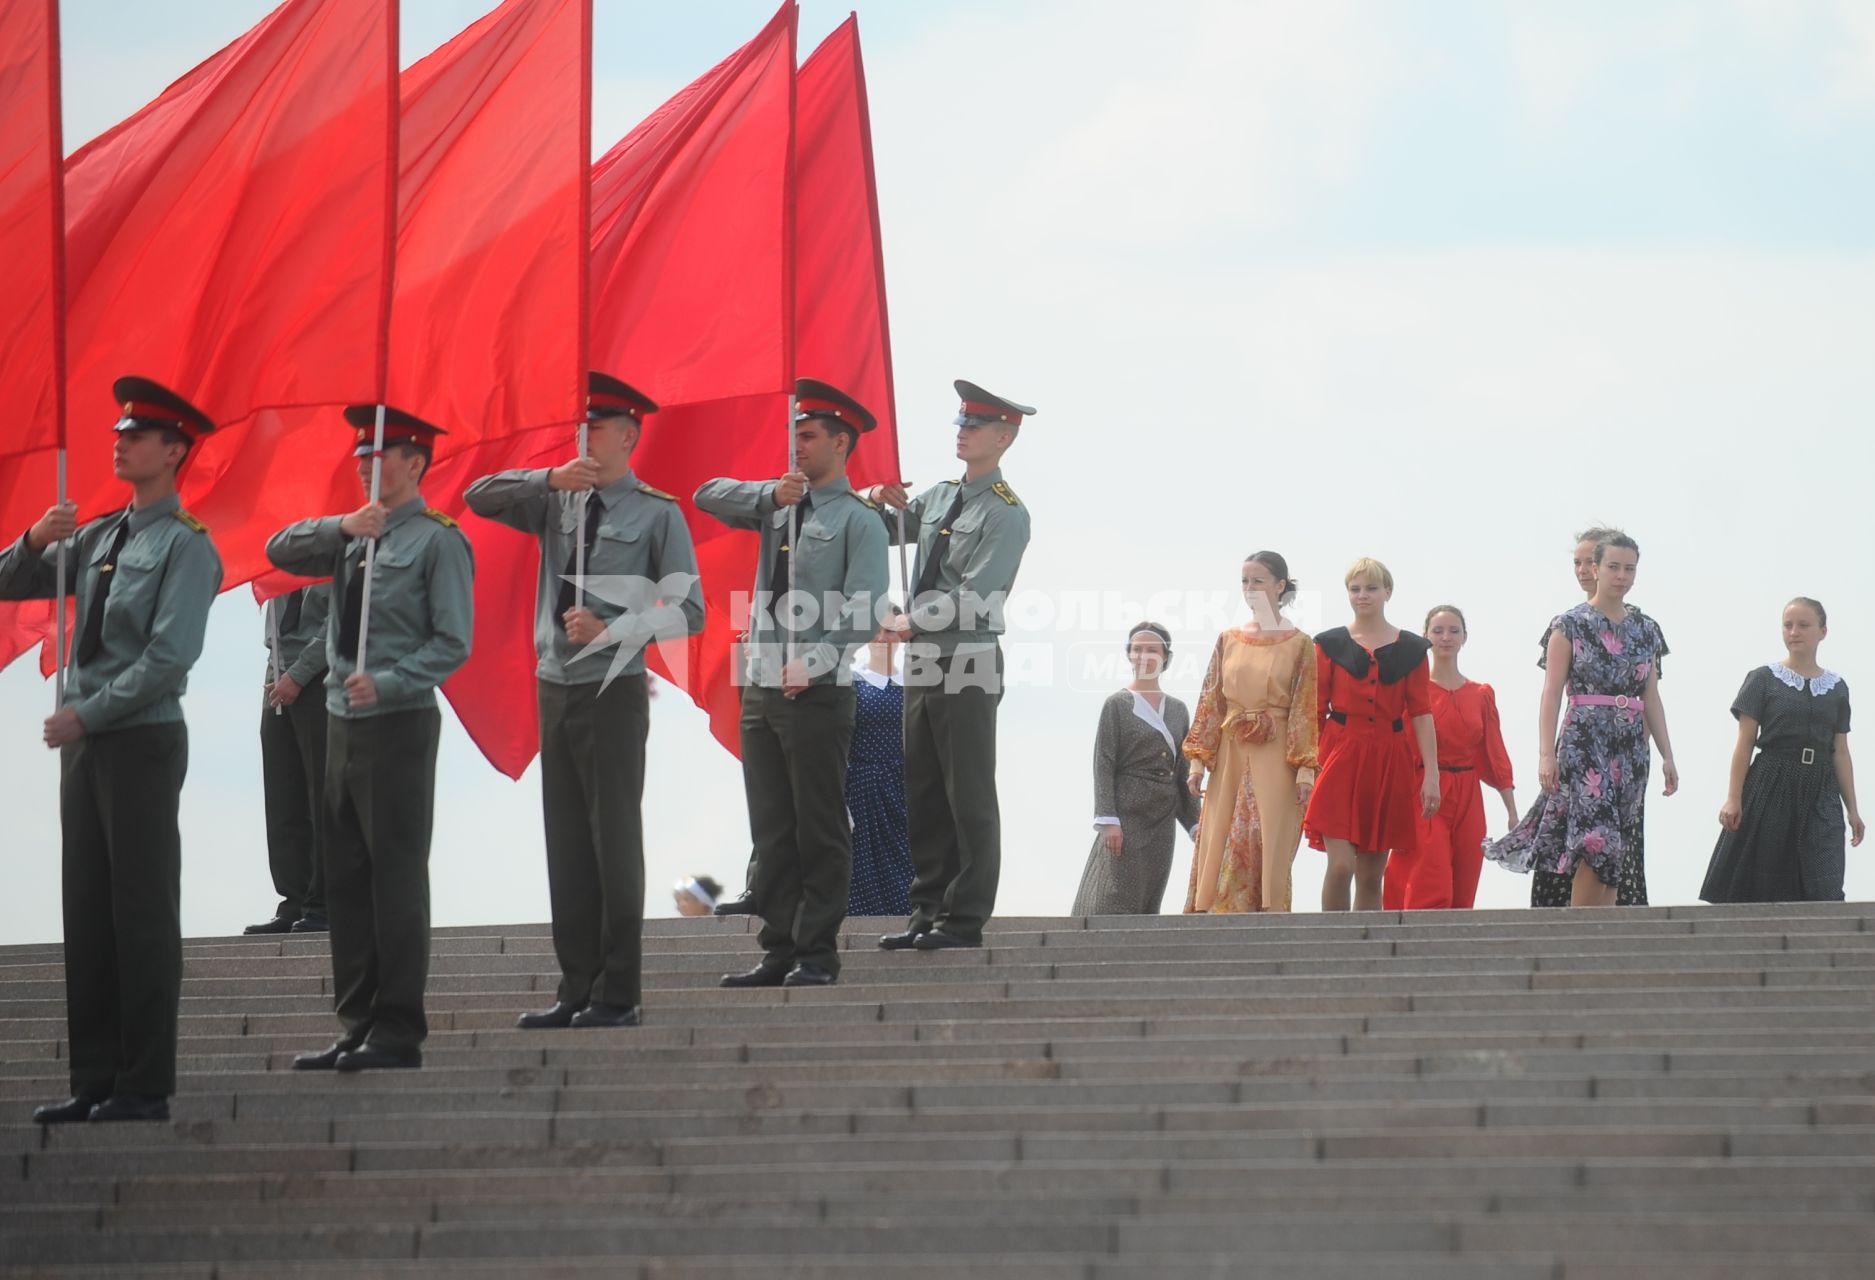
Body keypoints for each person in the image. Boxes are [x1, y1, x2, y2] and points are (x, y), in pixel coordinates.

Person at [6, 377, 223, 1125]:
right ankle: (94, 1077)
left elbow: (169, 657)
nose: (120, 441)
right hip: (88, 740)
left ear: (174, 451)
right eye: (119, 432)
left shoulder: (187, 547)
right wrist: (36, 537)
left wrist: (86, 714)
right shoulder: (97, 534)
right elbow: (7, 580)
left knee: (140, 912)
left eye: (138, 435)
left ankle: (144, 1082)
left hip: (137, 737)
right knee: (89, 910)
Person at [465, 373, 705, 1031]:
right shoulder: (556, 501)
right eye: (579, 426)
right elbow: (477, 497)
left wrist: (614, 630)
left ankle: (616, 992)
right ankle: (575, 987)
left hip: (611, 688)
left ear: (628, 435)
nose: (583, 437)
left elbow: (690, 610)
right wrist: (547, 480)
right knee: (566, 841)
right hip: (555, 684)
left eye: (595, 427)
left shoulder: (657, 513)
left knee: (612, 839)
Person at [268, 405, 473, 1071]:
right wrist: (341, 525)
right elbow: (278, 549)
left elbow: (452, 642)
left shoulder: (437, 541)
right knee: (347, 880)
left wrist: (389, 681)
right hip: (341, 724)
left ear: (414, 463)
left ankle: (397, 1028)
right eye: (359, 458)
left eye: (376, 456)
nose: (363, 467)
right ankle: (356, 1021)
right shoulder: (351, 537)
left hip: (398, 722)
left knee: (393, 877)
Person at [694, 378, 888, 988]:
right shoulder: (776, 504)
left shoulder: (860, 521)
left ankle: (816, 953)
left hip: (818, 691)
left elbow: (866, 607)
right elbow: (705, 495)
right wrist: (769, 493)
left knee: (819, 826)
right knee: (771, 827)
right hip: (761, 687)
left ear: (840, 442)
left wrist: (823, 658)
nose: (796, 446)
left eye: (808, 436)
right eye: (793, 436)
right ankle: (776, 949)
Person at [867, 380, 1034, 951]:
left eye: (975, 427)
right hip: (922, 658)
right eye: (960, 425)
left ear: (1004, 437)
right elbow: (881, 531)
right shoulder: (938, 497)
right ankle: (925, 910)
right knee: (925, 790)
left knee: (967, 792)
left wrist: (912, 620)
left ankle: (963, 918)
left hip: (966, 655)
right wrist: (876, 497)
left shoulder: (1007, 514)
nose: (962, 434)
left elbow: (978, 593)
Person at [1486, 532, 1678, 907]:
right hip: (1584, 742)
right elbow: (1551, 691)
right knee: (1594, 841)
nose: (1621, 576)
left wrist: (1667, 754)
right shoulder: (1569, 624)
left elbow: (1652, 696)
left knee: (1615, 849)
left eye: (1629, 569)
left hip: (1631, 750)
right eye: (1613, 567)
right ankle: (1580, 934)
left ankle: (1602, 941)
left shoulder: (1647, 629)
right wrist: (1546, 754)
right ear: (1596, 568)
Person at [1701, 598, 1862, 902]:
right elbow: (1745, 742)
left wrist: (1852, 809)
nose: (1794, 632)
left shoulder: (1837, 687)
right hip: (1772, 780)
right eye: (1788, 625)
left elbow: (1840, 751)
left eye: (1803, 625)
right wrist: (1733, 798)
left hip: (1821, 787)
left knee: (1826, 878)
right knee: (1768, 875)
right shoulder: (1763, 679)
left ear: (1823, 632)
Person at [1182, 554, 1317, 914]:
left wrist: (1306, 770)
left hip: (1277, 753)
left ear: (1280, 586)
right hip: (1230, 750)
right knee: (1223, 835)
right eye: (1244, 581)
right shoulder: (1228, 639)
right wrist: (1197, 762)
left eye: (1258, 581)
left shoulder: (1301, 643)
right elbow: (1211, 701)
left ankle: (1267, 916)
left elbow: (1306, 710)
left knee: (1267, 838)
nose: (1250, 589)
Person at [1304, 558, 1438, 912]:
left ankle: (1366, 955)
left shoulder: (1412, 648)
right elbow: (1314, 712)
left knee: (1370, 874)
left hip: (1390, 758)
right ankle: (1333, 947)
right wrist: (1307, 768)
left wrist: (1432, 776)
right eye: (1355, 589)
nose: (1362, 596)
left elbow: (1422, 713)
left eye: (1371, 588)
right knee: (1341, 865)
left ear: (1388, 592)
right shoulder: (1329, 644)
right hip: (1339, 755)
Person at [1383, 606, 1517, 910]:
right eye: (1438, 631)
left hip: (1469, 792)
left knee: (1465, 880)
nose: (1446, 637)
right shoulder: (1413, 692)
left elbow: (1494, 753)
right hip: (1425, 789)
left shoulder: (1481, 694)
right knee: (1430, 879)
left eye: (1454, 631)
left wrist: (1511, 810)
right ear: (1426, 637)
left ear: (1465, 637)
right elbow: (1397, 748)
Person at [1074, 622, 1198, 915]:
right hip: (1127, 812)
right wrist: (1109, 820)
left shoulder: (1178, 709)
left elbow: (1183, 770)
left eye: (1152, 649)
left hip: (1162, 814)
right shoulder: (1117, 704)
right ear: (1129, 655)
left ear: (1166, 656)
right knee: (1117, 892)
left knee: (1149, 892)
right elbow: (1103, 764)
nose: (1144, 655)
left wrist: (1195, 822)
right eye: (1137, 649)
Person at [246, 585, 332, 935]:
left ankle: (325, 904)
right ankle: (293, 901)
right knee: (284, 800)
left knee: (323, 797)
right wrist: (281, 675)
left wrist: (298, 675)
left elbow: (341, 622)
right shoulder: (281, 547)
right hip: (277, 673)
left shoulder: (340, 542)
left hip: (322, 675)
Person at [847, 609, 914, 917]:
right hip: (861, 787)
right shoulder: (851, 683)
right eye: (876, 630)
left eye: (889, 631)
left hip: (903, 788)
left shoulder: (913, 684)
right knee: (861, 862)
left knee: (905, 860)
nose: (882, 637)